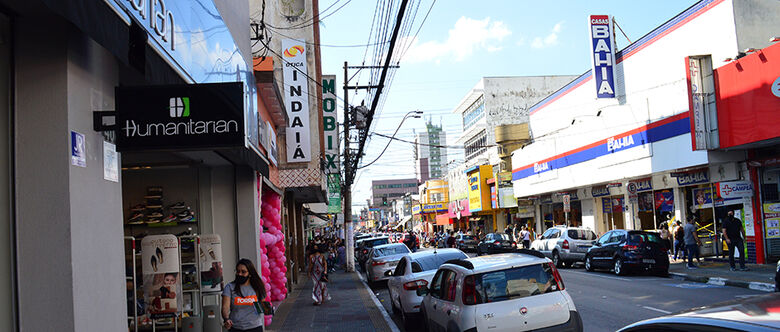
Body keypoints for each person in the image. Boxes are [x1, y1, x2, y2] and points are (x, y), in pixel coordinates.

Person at [222, 258, 266, 332]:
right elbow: (225, 307)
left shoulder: (257, 287)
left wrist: (266, 308)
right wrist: (226, 319)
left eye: (243, 272)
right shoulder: (230, 287)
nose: (240, 274)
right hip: (236, 327)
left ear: (250, 274)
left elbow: (263, 306)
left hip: (255, 327)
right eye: (238, 271)